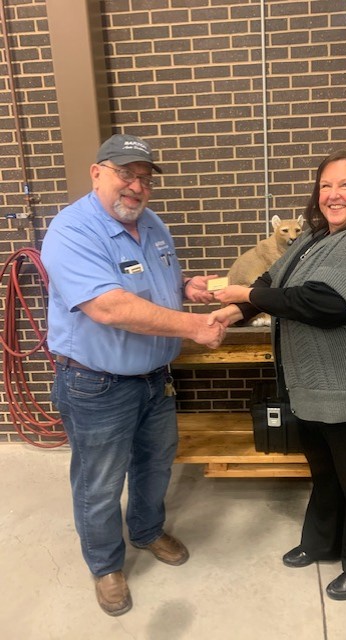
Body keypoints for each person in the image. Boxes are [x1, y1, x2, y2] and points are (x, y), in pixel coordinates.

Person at [208, 149, 346, 601]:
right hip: (319, 386)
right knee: (326, 469)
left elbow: (325, 304)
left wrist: (243, 291)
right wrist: (230, 311)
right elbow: (273, 285)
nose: (333, 194)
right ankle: (321, 542)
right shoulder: (312, 238)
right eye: (326, 185)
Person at [41, 134, 225, 616]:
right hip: (96, 384)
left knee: (154, 465)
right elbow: (108, 305)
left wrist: (186, 288)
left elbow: (154, 288)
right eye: (126, 174)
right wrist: (193, 327)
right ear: (96, 172)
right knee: (99, 482)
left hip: (153, 380)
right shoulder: (71, 230)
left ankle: (145, 531)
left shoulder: (153, 225)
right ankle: (105, 566)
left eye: (144, 178)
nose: (136, 186)